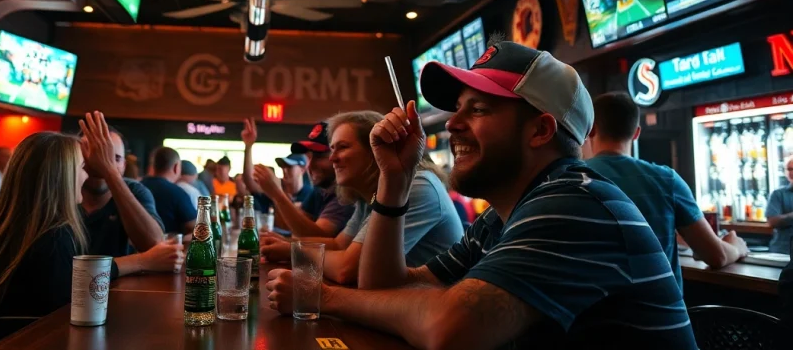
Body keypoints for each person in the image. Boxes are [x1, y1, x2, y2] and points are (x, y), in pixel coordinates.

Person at [266, 41, 698, 349]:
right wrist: (393, 180)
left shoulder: (576, 203)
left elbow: (447, 330)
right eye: (459, 108)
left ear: (541, 130)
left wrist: (319, 294)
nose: (452, 124)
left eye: (478, 109)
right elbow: (383, 287)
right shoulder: (500, 218)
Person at [0, 120, 181, 343]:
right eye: (84, 165)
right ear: (63, 175)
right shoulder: (54, 236)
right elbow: (78, 285)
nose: (91, 172)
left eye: (112, 159)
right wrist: (142, 261)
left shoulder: (18, 227)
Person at [260, 110, 462, 285]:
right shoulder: (370, 195)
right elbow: (340, 245)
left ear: (376, 149)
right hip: (398, 306)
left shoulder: (416, 186)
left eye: (342, 147)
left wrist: (293, 251)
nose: (332, 158)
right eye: (332, 149)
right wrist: (287, 242)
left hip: (429, 315)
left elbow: (347, 270)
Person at [585, 92, 748, 289]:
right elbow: (716, 256)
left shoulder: (572, 179)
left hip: (594, 315)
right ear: (636, 133)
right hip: (663, 316)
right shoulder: (666, 180)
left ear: (592, 130)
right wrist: (736, 247)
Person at [251, 120, 354, 237]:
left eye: (319, 156)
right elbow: (297, 229)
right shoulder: (319, 189)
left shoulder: (345, 195)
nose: (310, 166)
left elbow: (318, 237)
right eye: (310, 157)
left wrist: (277, 193)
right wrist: (282, 241)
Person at [79, 119, 165, 256]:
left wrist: (109, 172)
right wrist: (139, 263)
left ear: (124, 166)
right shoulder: (60, 191)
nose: (101, 164)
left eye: (116, 158)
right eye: (94, 155)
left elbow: (155, 245)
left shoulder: (135, 190)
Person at [240, 118, 315, 213]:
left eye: (289, 167)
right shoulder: (277, 188)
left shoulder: (311, 195)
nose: (284, 170)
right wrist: (248, 146)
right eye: (283, 166)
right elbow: (249, 181)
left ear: (302, 169)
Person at [141, 147, 198, 235]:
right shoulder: (178, 193)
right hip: (169, 246)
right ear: (176, 167)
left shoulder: (137, 187)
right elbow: (197, 229)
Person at [766, 156, 793, 254]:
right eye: (789, 169)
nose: (791, 172)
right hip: (783, 251)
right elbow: (772, 221)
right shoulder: (778, 194)